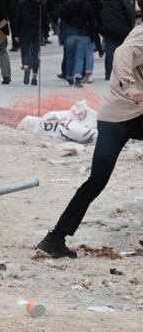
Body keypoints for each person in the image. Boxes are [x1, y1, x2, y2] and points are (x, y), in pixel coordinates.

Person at [37, 25, 143, 259]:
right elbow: (122, 53)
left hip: (120, 117)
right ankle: (55, 238)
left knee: (95, 182)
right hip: (121, 118)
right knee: (97, 180)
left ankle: (55, 238)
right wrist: (130, 86)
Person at [60, 0, 97, 88]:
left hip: (70, 34)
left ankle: (69, 76)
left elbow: (63, 19)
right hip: (83, 34)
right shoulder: (86, 5)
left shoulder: (67, 5)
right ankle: (78, 77)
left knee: (69, 57)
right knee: (80, 57)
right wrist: (93, 35)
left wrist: (63, 35)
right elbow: (91, 21)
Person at [13, 0, 48, 86]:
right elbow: (45, 19)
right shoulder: (40, 3)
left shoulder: (21, 3)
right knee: (35, 54)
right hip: (37, 31)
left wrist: (16, 34)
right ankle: (34, 76)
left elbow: (17, 19)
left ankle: (26, 66)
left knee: (25, 52)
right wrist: (46, 34)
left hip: (25, 30)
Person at [100, 0, 134, 81]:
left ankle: (108, 73)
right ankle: (122, 73)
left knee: (110, 51)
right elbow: (129, 12)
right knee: (123, 52)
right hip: (122, 28)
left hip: (108, 28)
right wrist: (131, 26)